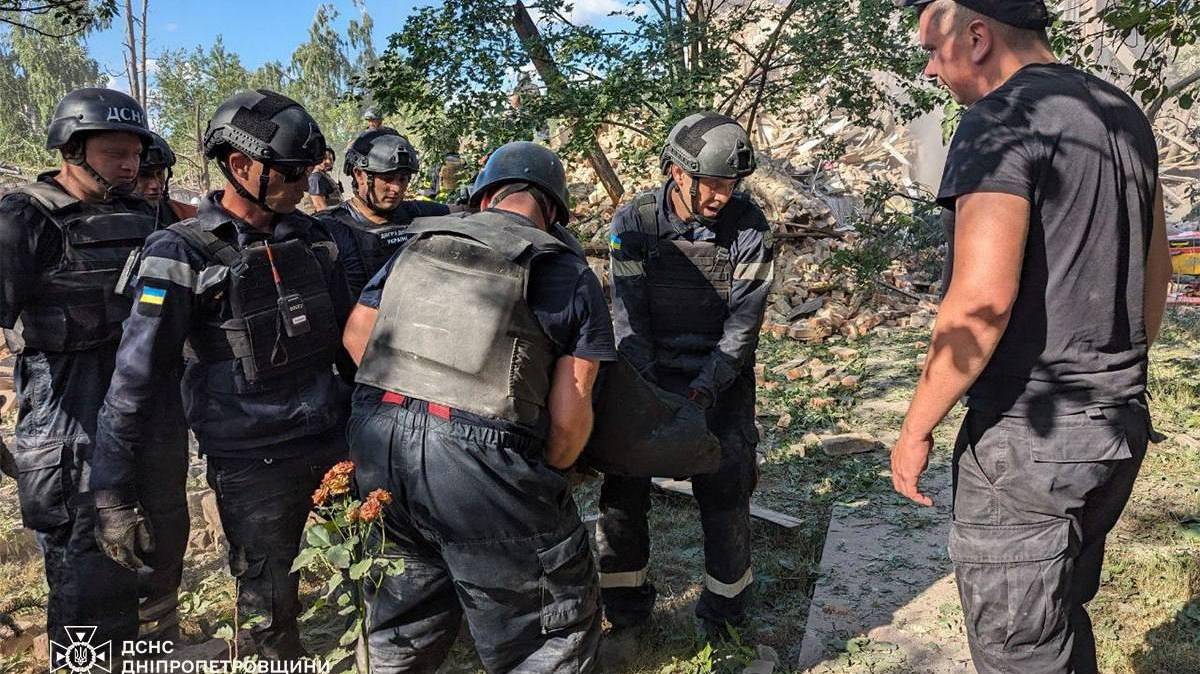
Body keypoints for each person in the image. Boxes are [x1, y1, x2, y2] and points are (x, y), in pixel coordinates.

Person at [890, 2, 1171, 673]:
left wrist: (915, 428)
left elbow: (981, 299)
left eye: (934, 50)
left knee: (1020, 651)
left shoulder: (1000, 118)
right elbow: (1156, 269)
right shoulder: (1119, 110)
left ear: (978, 38)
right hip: (1115, 423)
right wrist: (1115, 367)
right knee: (1059, 618)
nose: (930, 68)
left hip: (1029, 442)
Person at [91, 89, 356, 660]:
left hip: (335, 441)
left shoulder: (316, 239)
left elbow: (353, 349)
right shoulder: (178, 254)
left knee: (366, 569)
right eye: (290, 171)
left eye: (308, 171)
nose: (304, 184)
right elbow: (134, 381)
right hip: (252, 461)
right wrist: (111, 491)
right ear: (240, 166)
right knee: (268, 606)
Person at [341, 141, 615, 672]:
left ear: (484, 195)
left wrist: (407, 404)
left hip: (378, 443)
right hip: (482, 466)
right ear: (553, 210)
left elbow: (357, 336)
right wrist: (544, 475)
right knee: (545, 632)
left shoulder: (419, 245)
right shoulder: (566, 271)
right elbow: (570, 411)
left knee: (401, 618)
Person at [596, 112, 772, 637]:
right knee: (622, 492)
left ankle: (725, 621)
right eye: (712, 184)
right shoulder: (634, 223)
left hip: (721, 377)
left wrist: (704, 391)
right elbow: (628, 318)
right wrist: (651, 396)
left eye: (730, 185)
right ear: (678, 172)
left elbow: (745, 323)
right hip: (646, 372)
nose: (722, 195)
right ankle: (626, 615)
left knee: (726, 489)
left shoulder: (749, 226)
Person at [0, 87, 165, 648]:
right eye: (114, 152)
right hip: (68, 415)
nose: (130, 163)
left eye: (135, 152)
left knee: (139, 555)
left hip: (139, 410)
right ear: (72, 150)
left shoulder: (142, 215)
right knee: (84, 568)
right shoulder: (26, 218)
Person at [315, 128, 450, 298]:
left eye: (403, 179)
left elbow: (464, 210)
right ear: (359, 175)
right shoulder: (330, 228)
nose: (397, 188)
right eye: (387, 178)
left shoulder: (414, 211)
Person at [136, 131, 198, 226]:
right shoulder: (108, 219)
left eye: (160, 173)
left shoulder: (187, 215)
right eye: (144, 175)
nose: (156, 185)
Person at [306, 147, 342, 211]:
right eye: (324, 158)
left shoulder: (323, 175)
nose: (328, 161)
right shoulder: (316, 178)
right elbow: (320, 207)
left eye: (331, 159)